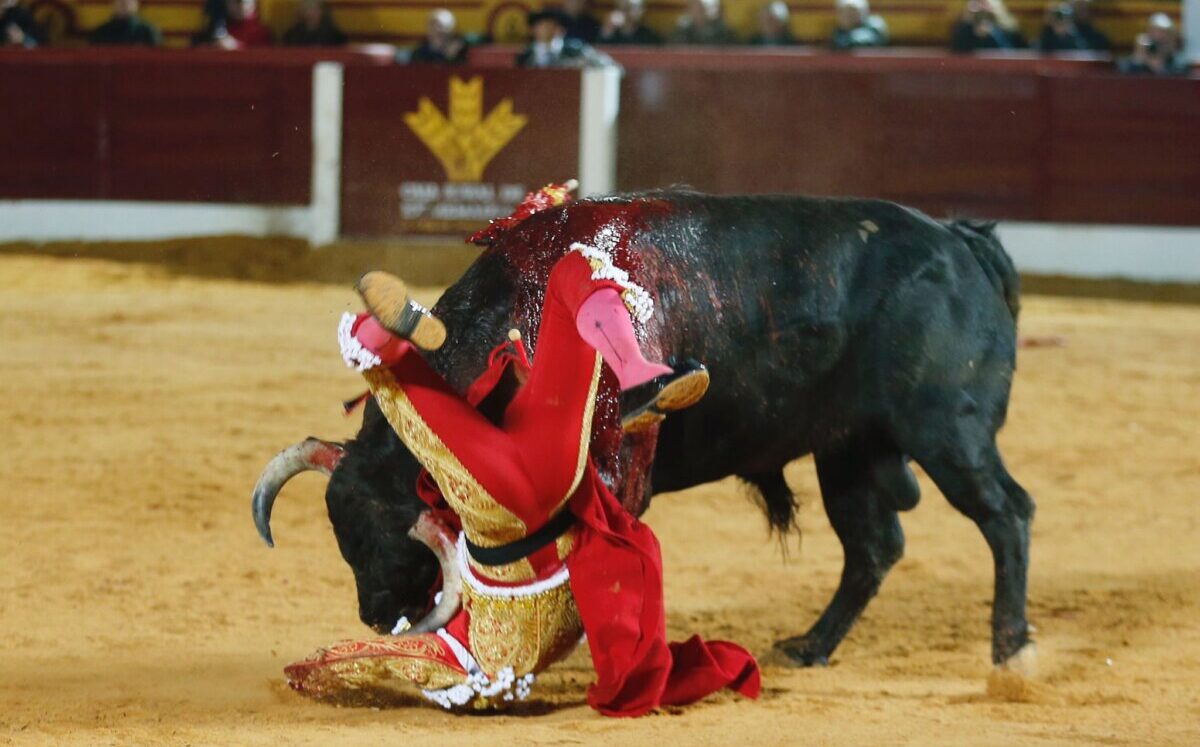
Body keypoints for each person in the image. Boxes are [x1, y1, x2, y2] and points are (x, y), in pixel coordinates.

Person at [285, 187, 761, 716]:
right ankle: (634, 372)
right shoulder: (450, 649)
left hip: (538, 496)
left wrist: (313, 675)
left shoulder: (473, 656)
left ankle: (380, 340)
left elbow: (355, 661)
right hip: (518, 484)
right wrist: (342, 666)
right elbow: (365, 659)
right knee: (571, 273)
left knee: (439, 403)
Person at [516, 8, 614, 68]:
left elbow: (608, 65)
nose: (548, 29)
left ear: (560, 29)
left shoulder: (576, 50)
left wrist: (576, 64)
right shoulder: (526, 54)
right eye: (542, 26)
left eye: (553, 26)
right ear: (533, 30)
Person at [1118, 13, 1188, 75]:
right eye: (1154, 32)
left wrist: (1158, 68)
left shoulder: (1179, 65)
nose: (1159, 37)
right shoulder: (1132, 64)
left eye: (1164, 34)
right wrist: (1138, 58)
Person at [950, 0, 1026, 52]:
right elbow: (956, 51)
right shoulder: (965, 30)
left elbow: (1013, 53)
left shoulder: (1007, 30)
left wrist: (992, 32)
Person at [194, 0, 272, 48]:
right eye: (232, 1)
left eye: (242, 1)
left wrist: (235, 48)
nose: (238, 5)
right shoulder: (217, 27)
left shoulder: (261, 33)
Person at [90, 0, 162, 46]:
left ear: (137, 4)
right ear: (112, 3)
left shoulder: (149, 32)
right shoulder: (100, 33)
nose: (124, 2)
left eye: (129, 0)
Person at [671, 0, 736, 45]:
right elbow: (676, 47)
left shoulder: (721, 29)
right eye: (695, 8)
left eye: (701, 8)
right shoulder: (684, 28)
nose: (698, 11)